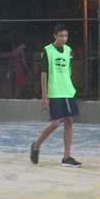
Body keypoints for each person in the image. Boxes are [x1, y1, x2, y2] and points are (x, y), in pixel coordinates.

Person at [30, 25, 82, 168]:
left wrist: (71, 88)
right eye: (61, 36)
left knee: (69, 122)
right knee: (55, 123)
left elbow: (68, 71)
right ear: (55, 36)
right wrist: (44, 96)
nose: (63, 39)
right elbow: (44, 74)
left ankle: (66, 157)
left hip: (67, 91)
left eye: (65, 36)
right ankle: (36, 145)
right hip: (55, 92)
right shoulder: (48, 51)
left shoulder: (68, 50)